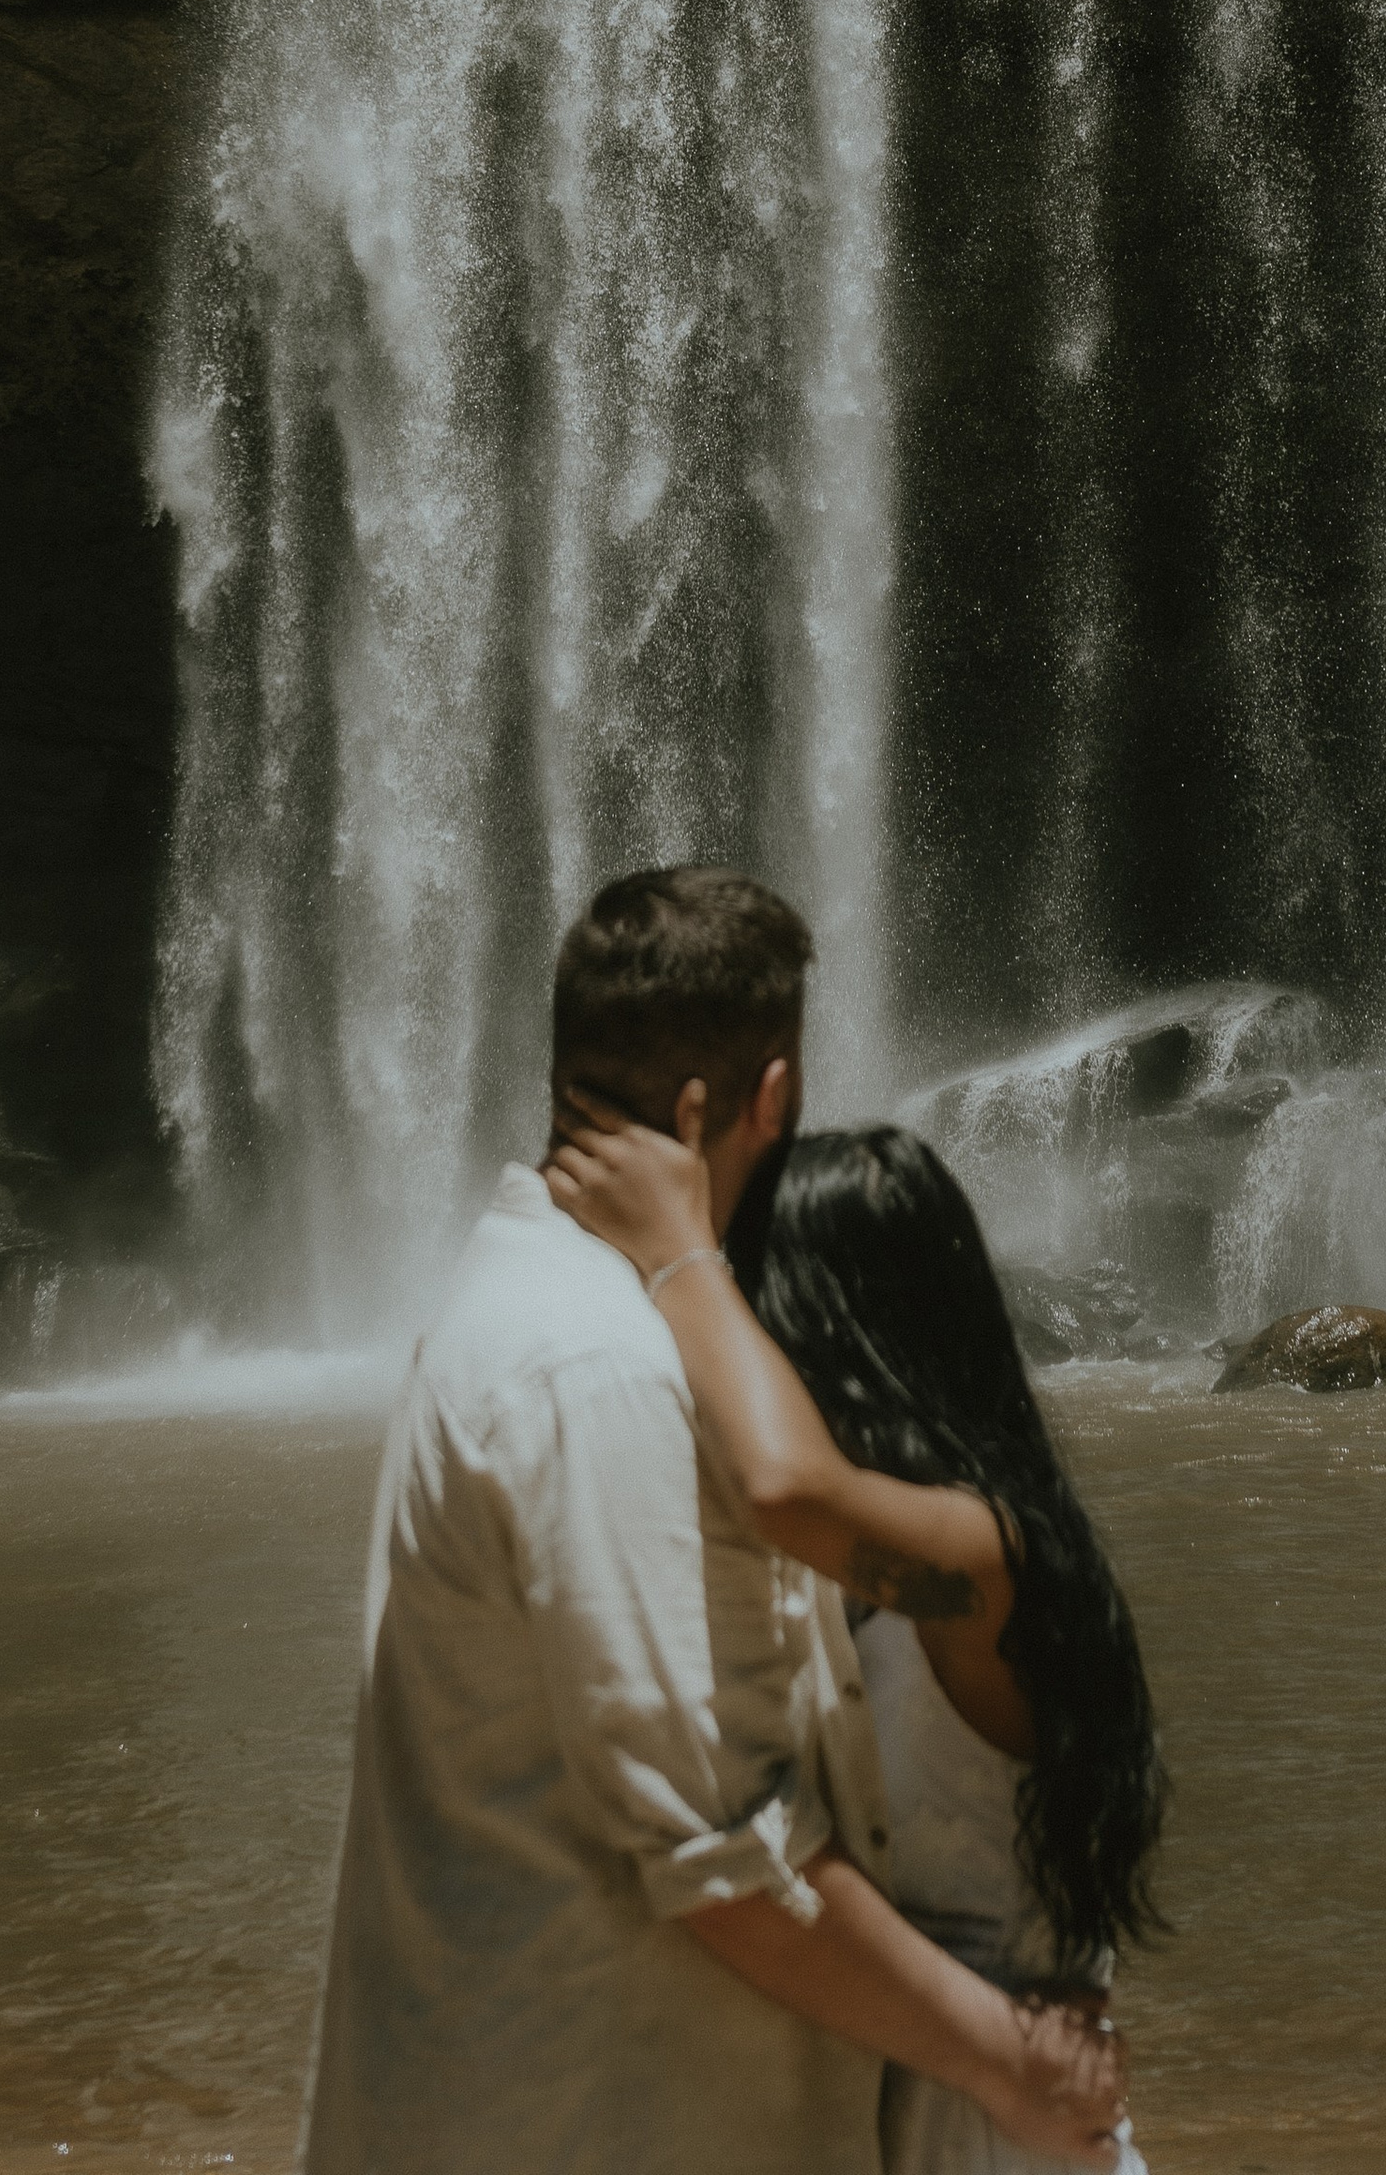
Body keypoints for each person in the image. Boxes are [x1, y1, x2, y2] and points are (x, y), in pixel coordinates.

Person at [302, 865, 1130, 2175]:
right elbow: (725, 1857)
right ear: (772, 1095)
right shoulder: (608, 1368)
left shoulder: (520, 1304)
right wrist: (1010, 2061)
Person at [546, 1096, 1165, 2174]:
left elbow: (786, 1488)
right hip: (955, 2101)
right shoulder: (902, 1568)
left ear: (830, 1328)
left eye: (763, 1302)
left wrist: (678, 1255)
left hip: (1000, 2126)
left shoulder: (988, 1555)